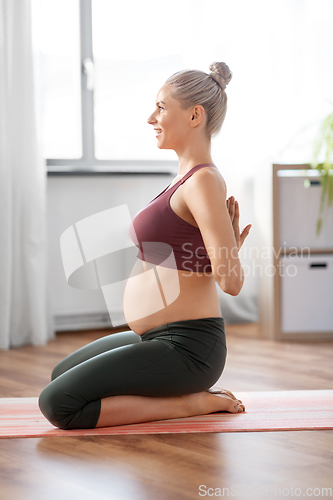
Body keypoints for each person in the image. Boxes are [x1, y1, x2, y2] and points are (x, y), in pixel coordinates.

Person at [39, 62, 251, 430]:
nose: (151, 117)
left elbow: (231, 283)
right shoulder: (184, 179)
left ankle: (191, 403)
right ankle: (170, 390)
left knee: (59, 403)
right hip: (154, 336)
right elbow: (190, 249)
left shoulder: (203, 181)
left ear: (195, 115)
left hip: (188, 346)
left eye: (162, 107)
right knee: (61, 374)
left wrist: (229, 248)